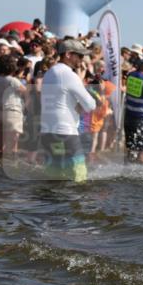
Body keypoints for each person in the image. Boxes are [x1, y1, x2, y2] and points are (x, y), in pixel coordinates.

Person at [39, 39, 98, 181]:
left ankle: (49, 203)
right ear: (68, 54)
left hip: (48, 133)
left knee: (54, 174)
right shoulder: (69, 75)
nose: (82, 59)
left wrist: (75, 104)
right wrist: (79, 106)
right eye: (80, 55)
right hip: (66, 133)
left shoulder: (49, 73)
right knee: (79, 176)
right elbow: (91, 105)